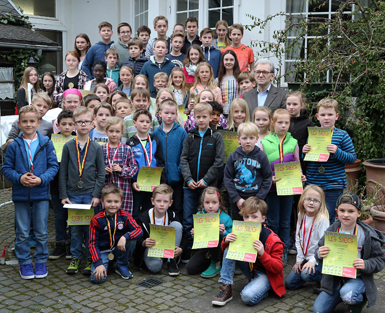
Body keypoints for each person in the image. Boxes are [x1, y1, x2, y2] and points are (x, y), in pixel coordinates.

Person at [2, 105, 59, 279]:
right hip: (20, 195)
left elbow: (53, 166)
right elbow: (6, 168)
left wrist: (41, 179)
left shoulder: (47, 143)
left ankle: (41, 261)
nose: (28, 124)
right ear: (19, 123)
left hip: (41, 194)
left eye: (32, 121)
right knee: (22, 232)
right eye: (25, 121)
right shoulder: (13, 146)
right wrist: (19, 178)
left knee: (41, 231)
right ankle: (25, 262)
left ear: (38, 122)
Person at [313, 192, 385, 313]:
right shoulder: (332, 231)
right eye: (342, 210)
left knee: (349, 295)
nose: (346, 215)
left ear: (359, 213)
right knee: (318, 310)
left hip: (357, 278)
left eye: (351, 211)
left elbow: (380, 259)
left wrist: (366, 264)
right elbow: (318, 252)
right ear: (337, 211)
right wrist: (319, 254)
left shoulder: (367, 235)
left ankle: (357, 300)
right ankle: (339, 294)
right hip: (334, 278)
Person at [212, 197, 286, 306]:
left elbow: (278, 268)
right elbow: (227, 254)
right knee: (229, 247)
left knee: (247, 297)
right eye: (246, 217)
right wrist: (226, 241)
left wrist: (262, 253)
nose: (250, 220)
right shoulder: (241, 232)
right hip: (249, 268)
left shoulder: (273, 240)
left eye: (254, 217)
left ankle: (266, 288)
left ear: (263, 218)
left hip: (266, 274)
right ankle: (225, 287)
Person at [59, 106, 105, 275]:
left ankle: (90, 258)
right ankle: (76, 257)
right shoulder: (68, 147)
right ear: (74, 125)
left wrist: (96, 194)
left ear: (92, 123)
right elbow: (62, 172)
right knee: (75, 229)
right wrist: (63, 195)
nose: (83, 124)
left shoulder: (96, 147)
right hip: (72, 195)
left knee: (90, 229)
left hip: (89, 195)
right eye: (79, 122)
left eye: (86, 121)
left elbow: (101, 173)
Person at [180, 102, 225, 262]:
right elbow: (183, 158)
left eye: (204, 116)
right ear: (193, 117)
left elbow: (219, 161)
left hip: (208, 187)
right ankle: (190, 251)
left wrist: (206, 179)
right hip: (189, 185)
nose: (201, 120)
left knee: (208, 217)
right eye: (197, 117)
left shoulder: (216, 136)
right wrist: (188, 178)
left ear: (211, 117)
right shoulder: (189, 136)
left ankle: (206, 253)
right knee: (188, 219)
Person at [261, 109, 306, 265]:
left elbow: (297, 163)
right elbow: (262, 166)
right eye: (280, 122)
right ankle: (273, 250)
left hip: (289, 188)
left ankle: (284, 250)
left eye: (287, 122)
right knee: (272, 221)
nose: (283, 125)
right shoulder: (265, 142)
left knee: (286, 221)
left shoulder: (293, 143)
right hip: (272, 189)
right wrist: (269, 178)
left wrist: (300, 175)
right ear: (273, 123)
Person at [303, 98, 356, 224]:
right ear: (317, 117)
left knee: (328, 218)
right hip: (313, 183)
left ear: (336, 116)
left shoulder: (342, 135)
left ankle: (325, 243)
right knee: (311, 216)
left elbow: (352, 158)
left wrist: (337, 151)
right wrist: (303, 152)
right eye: (323, 115)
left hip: (333, 184)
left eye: (330, 114)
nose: (326, 118)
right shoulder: (313, 134)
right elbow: (306, 161)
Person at [89, 184, 143, 283]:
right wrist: (98, 263)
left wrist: (125, 237)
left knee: (132, 239)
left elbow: (139, 230)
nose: (112, 205)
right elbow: (92, 244)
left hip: (118, 249)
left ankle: (121, 265)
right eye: (109, 201)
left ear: (121, 202)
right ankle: (105, 263)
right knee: (96, 278)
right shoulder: (96, 219)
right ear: (102, 201)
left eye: (116, 201)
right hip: (103, 252)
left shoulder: (125, 216)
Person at [135, 184, 187, 276]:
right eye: (158, 201)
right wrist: (143, 242)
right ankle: (160, 260)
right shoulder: (143, 217)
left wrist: (181, 249)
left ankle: (172, 260)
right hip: (153, 248)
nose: (162, 204)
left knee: (177, 225)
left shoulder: (172, 216)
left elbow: (185, 235)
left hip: (169, 248)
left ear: (170, 203)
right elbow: (136, 237)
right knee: (155, 268)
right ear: (152, 201)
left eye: (165, 201)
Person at [224, 122, 272, 221]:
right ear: (238, 139)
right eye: (244, 138)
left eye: (251, 138)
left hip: (255, 198)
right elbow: (228, 178)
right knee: (238, 225)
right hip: (238, 199)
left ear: (257, 139)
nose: (248, 141)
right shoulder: (233, 156)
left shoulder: (262, 156)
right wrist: (236, 199)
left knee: (254, 225)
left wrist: (258, 198)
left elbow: (268, 178)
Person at [285, 185, 329, 290]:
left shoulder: (321, 219)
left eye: (315, 200)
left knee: (306, 275)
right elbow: (298, 238)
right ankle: (310, 272)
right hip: (305, 257)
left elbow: (324, 245)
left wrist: (313, 261)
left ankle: (325, 277)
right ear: (302, 200)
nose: (311, 203)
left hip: (318, 259)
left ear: (321, 203)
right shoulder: (301, 215)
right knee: (289, 284)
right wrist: (299, 259)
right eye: (308, 199)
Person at [127, 109, 166, 220]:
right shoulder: (130, 143)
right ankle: (135, 235)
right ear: (134, 123)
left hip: (153, 185)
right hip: (137, 185)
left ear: (151, 124)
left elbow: (160, 162)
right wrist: (133, 182)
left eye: (147, 122)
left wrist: (161, 182)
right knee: (134, 212)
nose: (145, 124)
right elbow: (128, 164)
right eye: (141, 121)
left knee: (149, 211)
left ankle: (147, 234)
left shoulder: (155, 141)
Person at [186, 187, 232, 277]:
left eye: (214, 202)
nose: (210, 206)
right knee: (190, 268)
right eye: (207, 202)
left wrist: (224, 232)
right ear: (203, 203)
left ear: (220, 203)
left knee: (216, 233)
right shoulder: (200, 216)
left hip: (221, 250)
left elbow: (232, 238)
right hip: (205, 249)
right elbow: (198, 239)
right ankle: (210, 263)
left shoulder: (225, 218)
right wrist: (194, 234)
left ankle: (216, 264)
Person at [153, 99, 187, 220]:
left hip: (176, 178)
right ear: (160, 113)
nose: (169, 116)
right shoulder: (155, 133)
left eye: (172, 113)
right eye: (166, 113)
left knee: (177, 207)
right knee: (161, 207)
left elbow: (184, 154)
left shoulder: (182, 132)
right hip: (160, 179)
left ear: (176, 114)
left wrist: (178, 171)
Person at [49, 110, 76, 260]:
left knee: (72, 216)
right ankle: (60, 244)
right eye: (63, 124)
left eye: (70, 124)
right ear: (58, 125)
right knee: (59, 216)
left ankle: (72, 245)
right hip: (56, 185)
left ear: (75, 125)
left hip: (73, 186)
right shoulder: (51, 141)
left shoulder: (77, 140)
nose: (67, 127)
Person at [101, 116, 138, 215]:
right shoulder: (100, 149)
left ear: (122, 133)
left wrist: (122, 170)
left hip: (123, 190)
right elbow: (94, 169)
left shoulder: (127, 149)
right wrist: (103, 171)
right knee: (106, 218)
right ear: (106, 131)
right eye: (111, 131)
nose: (114, 134)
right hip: (105, 189)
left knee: (123, 218)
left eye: (117, 132)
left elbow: (134, 169)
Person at [217, 50, 240, 114]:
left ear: (235, 61)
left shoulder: (240, 78)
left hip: (237, 112)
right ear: (223, 61)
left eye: (231, 60)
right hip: (222, 113)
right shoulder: (218, 80)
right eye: (226, 60)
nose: (229, 62)